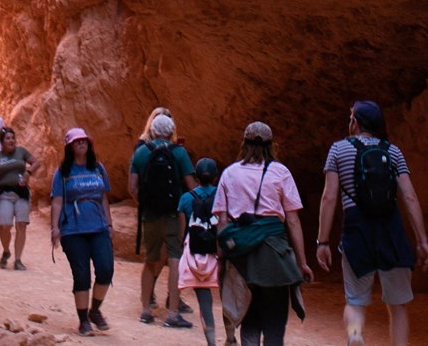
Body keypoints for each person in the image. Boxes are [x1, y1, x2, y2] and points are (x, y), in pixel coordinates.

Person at [316, 101, 428, 346]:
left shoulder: (338, 150)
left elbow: (329, 197)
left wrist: (322, 241)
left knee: (355, 300)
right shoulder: (393, 151)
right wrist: (422, 241)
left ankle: (356, 334)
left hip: (357, 230)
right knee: (398, 305)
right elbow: (409, 197)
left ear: (355, 123)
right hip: (391, 229)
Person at [215, 122, 312, 346]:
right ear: (271, 145)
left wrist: (221, 257)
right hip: (275, 257)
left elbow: (223, 221)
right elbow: (293, 221)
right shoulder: (281, 172)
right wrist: (302, 262)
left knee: (249, 319)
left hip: (242, 257)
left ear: (244, 143)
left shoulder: (230, 173)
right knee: (275, 324)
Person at [130, 114, 197, 328]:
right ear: (171, 132)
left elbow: (132, 187)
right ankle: (173, 313)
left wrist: (146, 203)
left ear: (152, 131)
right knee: (175, 258)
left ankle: (145, 311)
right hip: (173, 213)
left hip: (150, 215)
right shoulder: (179, 153)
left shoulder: (141, 152)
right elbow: (191, 186)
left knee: (151, 259)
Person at [50, 127, 114, 337]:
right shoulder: (63, 172)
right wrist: (55, 228)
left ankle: (95, 310)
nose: (81, 144)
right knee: (82, 275)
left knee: (106, 270)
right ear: (70, 147)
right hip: (73, 230)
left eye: (84, 141)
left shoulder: (97, 168)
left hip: (98, 226)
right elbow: (58, 201)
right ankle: (83, 320)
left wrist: (109, 224)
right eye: (77, 142)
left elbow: (104, 197)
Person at [178, 157, 230, 346]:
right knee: (228, 296)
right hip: (220, 252)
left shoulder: (185, 199)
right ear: (217, 178)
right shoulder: (224, 196)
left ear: (196, 177)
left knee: (204, 300)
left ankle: (211, 341)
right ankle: (231, 336)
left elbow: (182, 232)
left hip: (197, 253)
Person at [0, 127, 39, 270]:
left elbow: (36, 162)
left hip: (22, 193)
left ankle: (18, 260)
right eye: (8, 138)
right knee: (5, 226)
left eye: (13, 138)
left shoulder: (21, 151)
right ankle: (6, 251)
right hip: (5, 194)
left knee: (21, 225)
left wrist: (28, 172)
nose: (11, 140)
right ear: (2, 141)